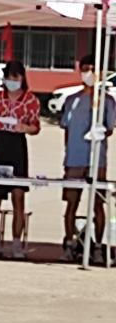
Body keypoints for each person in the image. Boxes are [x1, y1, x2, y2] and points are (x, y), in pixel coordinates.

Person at [0, 60, 40, 260]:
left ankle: (16, 242)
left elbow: (36, 127)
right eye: (8, 77)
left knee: (18, 196)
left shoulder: (31, 100)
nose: (11, 81)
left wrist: (25, 128)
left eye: (15, 77)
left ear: (22, 78)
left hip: (17, 145)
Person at [60, 54, 116, 263]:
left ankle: (99, 246)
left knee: (98, 204)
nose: (89, 73)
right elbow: (66, 129)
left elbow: (110, 128)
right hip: (74, 158)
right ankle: (69, 242)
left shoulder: (107, 101)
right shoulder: (71, 100)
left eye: (93, 69)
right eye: (85, 69)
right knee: (71, 203)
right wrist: (67, 154)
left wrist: (99, 130)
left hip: (97, 159)